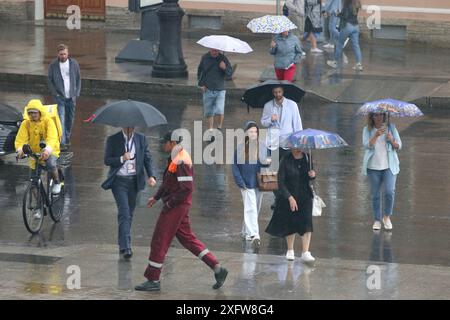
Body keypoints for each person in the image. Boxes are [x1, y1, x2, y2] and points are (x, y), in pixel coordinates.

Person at [135, 131, 228, 292]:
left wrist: (169, 204)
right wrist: (156, 197)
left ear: (172, 142)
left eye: (164, 142)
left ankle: (153, 279)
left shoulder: (181, 161)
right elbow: (167, 183)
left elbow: (186, 189)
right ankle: (218, 269)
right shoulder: (175, 157)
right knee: (188, 240)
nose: (162, 145)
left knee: (160, 239)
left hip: (176, 206)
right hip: (178, 205)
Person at [102, 127, 157, 260]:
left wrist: (151, 175)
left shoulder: (141, 139)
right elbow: (107, 160)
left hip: (134, 181)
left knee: (129, 214)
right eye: (127, 125)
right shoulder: (113, 139)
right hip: (119, 182)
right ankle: (126, 246)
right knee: (124, 212)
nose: (129, 128)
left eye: (132, 125)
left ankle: (122, 242)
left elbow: (147, 158)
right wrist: (121, 158)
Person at [265, 147, 316, 263]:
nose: (299, 149)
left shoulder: (308, 158)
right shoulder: (286, 159)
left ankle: (305, 252)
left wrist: (312, 175)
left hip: (305, 196)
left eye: (301, 147)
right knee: (291, 223)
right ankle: (290, 250)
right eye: (296, 147)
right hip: (290, 195)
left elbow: (309, 178)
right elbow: (281, 182)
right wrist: (289, 197)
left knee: (307, 223)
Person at [232, 121, 270, 250]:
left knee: (255, 209)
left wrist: (267, 161)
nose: (253, 134)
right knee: (251, 208)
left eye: (255, 131)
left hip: (259, 183)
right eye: (251, 131)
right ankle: (255, 235)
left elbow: (265, 163)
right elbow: (235, 166)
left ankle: (245, 231)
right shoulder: (241, 148)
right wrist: (240, 182)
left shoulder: (263, 146)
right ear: (246, 133)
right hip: (246, 184)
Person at [15, 99, 61, 202]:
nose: (32, 115)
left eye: (34, 112)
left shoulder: (48, 121)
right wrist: (20, 150)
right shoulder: (25, 124)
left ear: (39, 112)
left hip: (51, 149)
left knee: (50, 164)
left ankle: (57, 182)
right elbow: (20, 139)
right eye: (30, 113)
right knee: (33, 182)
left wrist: (47, 150)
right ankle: (39, 206)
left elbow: (52, 137)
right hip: (34, 153)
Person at [362, 113, 402, 231]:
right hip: (373, 167)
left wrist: (391, 140)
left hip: (389, 166)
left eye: (381, 115)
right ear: (372, 117)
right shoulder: (367, 129)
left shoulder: (391, 128)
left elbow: (399, 145)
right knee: (375, 194)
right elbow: (366, 145)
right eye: (375, 115)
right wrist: (375, 135)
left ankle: (387, 216)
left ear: (384, 116)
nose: (378, 118)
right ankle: (377, 219)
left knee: (390, 192)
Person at [47, 44, 81, 151]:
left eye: (65, 54)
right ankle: (62, 142)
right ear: (58, 54)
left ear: (68, 53)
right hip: (60, 97)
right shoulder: (53, 65)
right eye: (61, 54)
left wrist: (76, 93)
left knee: (69, 120)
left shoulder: (73, 63)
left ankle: (67, 137)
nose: (63, 56)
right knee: (61, 119)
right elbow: (50, 80)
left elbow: (78, 78)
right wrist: (55, 94)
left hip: (71, 97)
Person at [260, 86, 303, 162]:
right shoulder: (268, 105)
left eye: (279, 92)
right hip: (272, 142)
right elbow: (263, 122)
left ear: (283, 92)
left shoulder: (292, 105)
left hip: (287, 142)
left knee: (286, 166)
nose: (277, 94)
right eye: (275, 92)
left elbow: (297, 124)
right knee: (273, 167)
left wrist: (298, 141)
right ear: (273, 93)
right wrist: (270, 119)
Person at [197, 48, 232, 139]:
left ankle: (219, 127)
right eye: (213, 50)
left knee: (219, 110)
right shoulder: (205, 57)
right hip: (207, 88)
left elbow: (229, 73)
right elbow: (200, 71)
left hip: (220, 89)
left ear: (219, 50)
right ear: (210, 49)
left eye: (216, 51)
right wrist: (201, 84)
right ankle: (210, 130)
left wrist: (224, 68)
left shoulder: (223, 58)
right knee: (209, 112)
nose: (214, 52)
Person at [326, 0, 363, 71]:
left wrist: (338, 14)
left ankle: (334, 62)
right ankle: (359, 64)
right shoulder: (356, 3)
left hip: (347, 26)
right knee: (356, 45)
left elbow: (345, 16)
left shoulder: (347, 3)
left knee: (340, 43)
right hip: (355, 26)